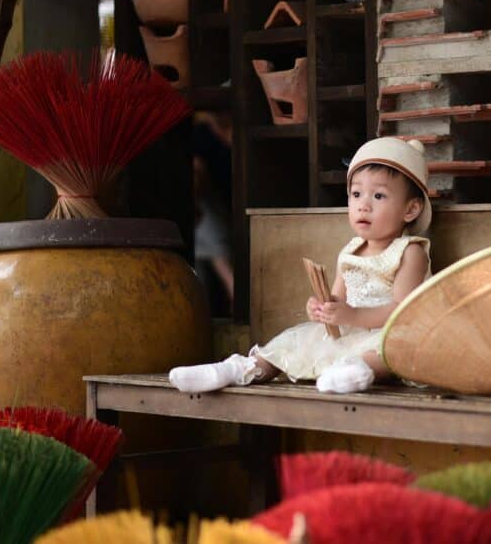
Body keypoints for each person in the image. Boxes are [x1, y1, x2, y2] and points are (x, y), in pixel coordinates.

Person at [169, 137, 432, 395]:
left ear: (410, 209)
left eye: (378, 195)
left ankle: (356, 372)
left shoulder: (409, 252)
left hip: (388, 333)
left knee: (389, 350)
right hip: (351, 330)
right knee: (291, 342)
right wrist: (323, 309)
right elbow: (339, 300)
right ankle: (237, 370)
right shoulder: (350, 251)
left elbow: (401, 311)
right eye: (356, 193)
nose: (363, 205)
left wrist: (351, 315)